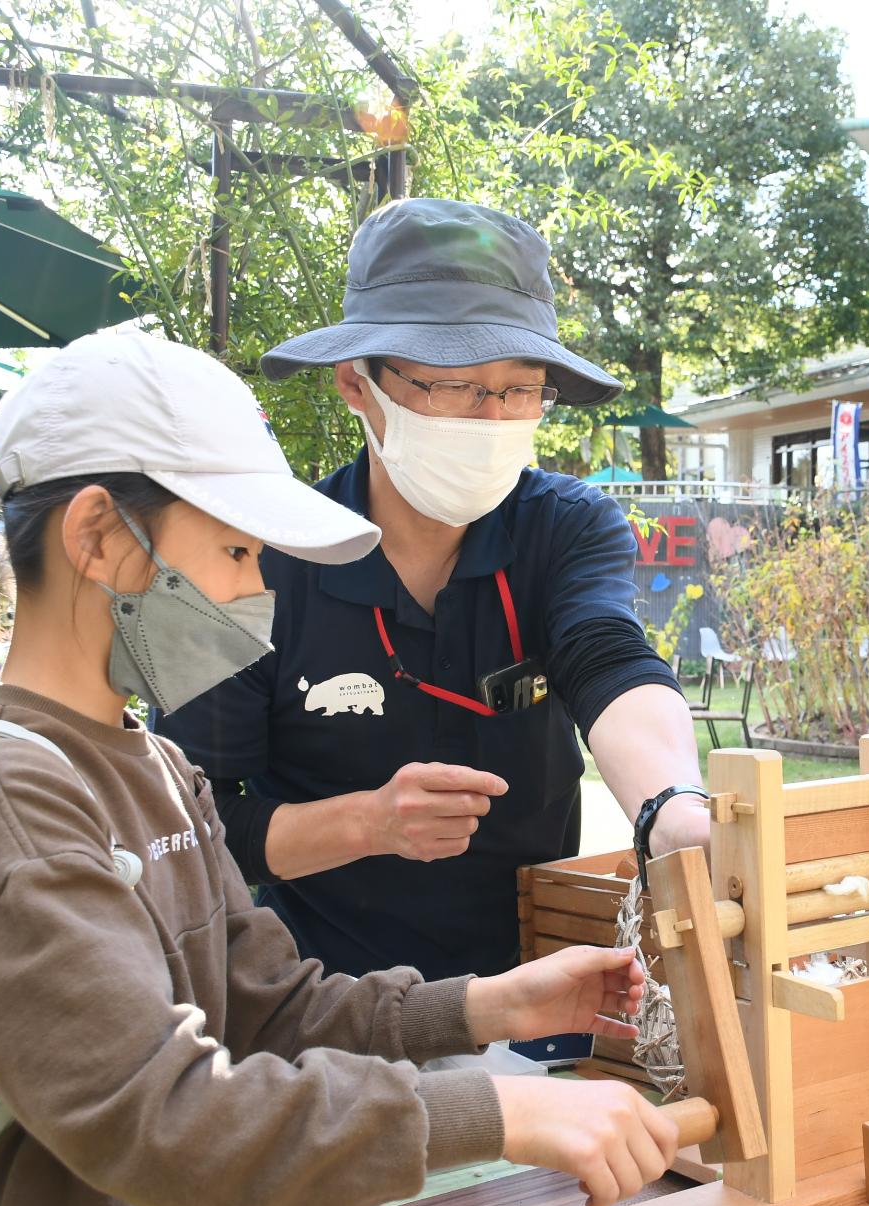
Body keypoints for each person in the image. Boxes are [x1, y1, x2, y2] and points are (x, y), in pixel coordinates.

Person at [0, 334, 680, 1206]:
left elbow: (266, 1007)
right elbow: (166, 1118)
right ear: (100, 537)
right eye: (239, 551)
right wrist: (504, 1112)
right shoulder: (4, 793)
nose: (258, 592)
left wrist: (483, 1007)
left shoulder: (151, 768)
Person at [156, 198, 709, 983]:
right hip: (324, 1009)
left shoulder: (566, 527)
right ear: (358, 384)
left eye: (520, 390)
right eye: (455, 386)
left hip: (534, 993)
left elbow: (608, 657)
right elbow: (185, 815)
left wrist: (672, 810)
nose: (491, 418)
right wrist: (367, 822)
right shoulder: (253, 560)